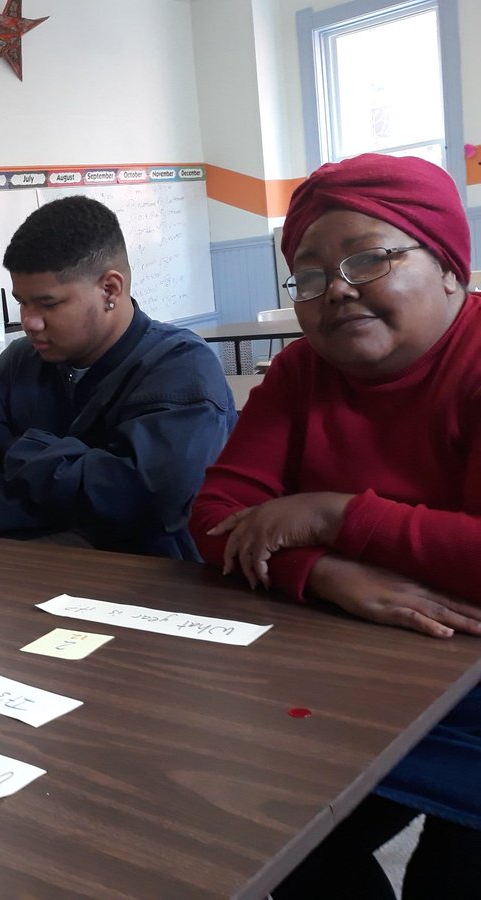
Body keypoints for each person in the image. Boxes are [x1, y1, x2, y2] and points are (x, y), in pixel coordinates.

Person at [189, 153, 481, 898]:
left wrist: (334, 514)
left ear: (450, 265)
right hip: (348, 687)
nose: (336, 289)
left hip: (467, 690)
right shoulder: (299, 373)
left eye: (368, 259)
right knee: (270, 847)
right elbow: (217, 520)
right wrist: (322, 572)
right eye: (311, 276)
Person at [0, 195, 236, 558]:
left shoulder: (181, 369)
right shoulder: (12, 367)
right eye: (22, 302)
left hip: (152, 595)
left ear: (109, 290)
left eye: (49, 304)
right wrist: (90, 490)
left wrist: (25, 453)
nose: (29, 322)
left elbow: (152, 510)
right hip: (24, 580)